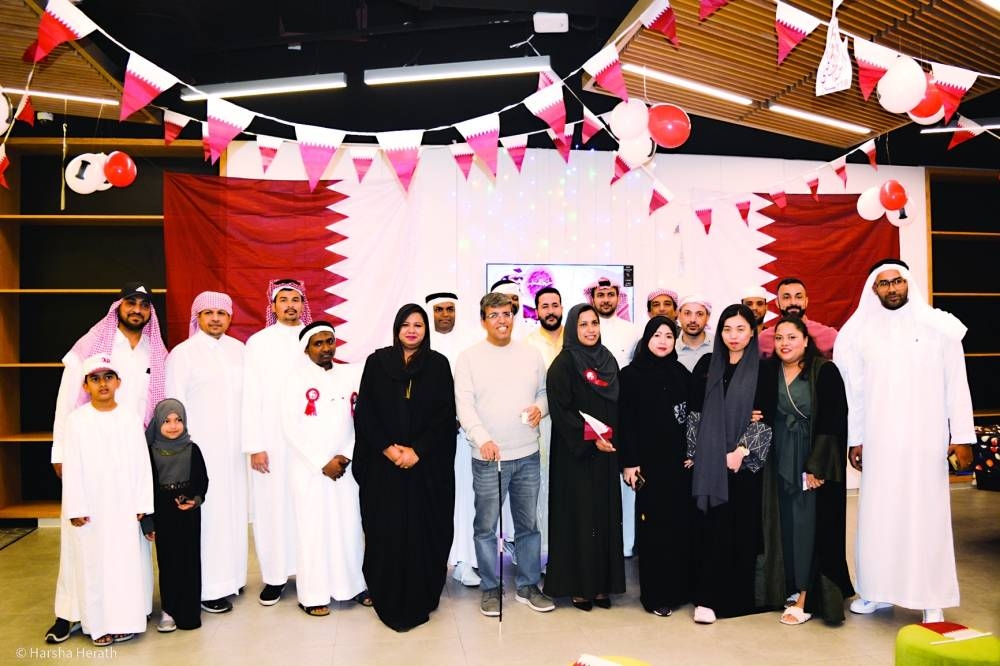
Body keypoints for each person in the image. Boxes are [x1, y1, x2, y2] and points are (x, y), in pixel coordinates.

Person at [834, 259, 974, 624]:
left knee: (926, 517)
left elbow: (956, 384)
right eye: (884, 283)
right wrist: (856, 439)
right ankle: (876, 591)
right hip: (879, 442)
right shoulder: (859, 333)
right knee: (878, 517)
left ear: (908, 283)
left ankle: (931, 598)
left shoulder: (939, 327)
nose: (892, 288)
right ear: (874, 289)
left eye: (897, 281)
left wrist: (962, 437)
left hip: (925, 440)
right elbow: (855, 394)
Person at [46, 282, 166, 644]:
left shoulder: (152, 350)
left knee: (129, 541)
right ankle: (71, 612)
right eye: (130, 303)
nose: (137, 310)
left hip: (131, 454)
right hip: (87, 455)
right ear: (118, 307)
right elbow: (66, 399)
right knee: (83, 539)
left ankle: (130, 609)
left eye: (143, 305)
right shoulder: (93, 345)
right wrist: (59, 452)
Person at [354, 304, 457, 631]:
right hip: (384, 467)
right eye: (406, 325)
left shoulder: (438, 365)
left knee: (424, 531)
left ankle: (423, 593)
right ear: (397, 328)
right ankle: (383, 591)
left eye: (418, 325)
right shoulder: (377, 363)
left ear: (426, 330)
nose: (412, 330)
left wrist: (418, 451)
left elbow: (445, 416)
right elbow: (365, 413)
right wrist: (388, 448)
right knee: (386, 530)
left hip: (425, 469)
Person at [454, 292, 554, 616]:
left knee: (528, 525)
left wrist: (539, 408)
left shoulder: (531, 354)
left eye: (506, 314)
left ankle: (528, 585)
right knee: (486, 527)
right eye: (494, 315)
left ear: (514, 317)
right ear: (483, 321)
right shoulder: (469, 358)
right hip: (488, 458)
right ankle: (490, 588)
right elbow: (464, 405)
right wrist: (482, 439)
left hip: (527, 454)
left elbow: (545, 393)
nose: (501, 320)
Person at [686, 304, 778, 624]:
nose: (734, 336)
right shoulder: (707, 365)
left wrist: (741, 452)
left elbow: (766, 415)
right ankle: (706, 598)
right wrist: (695, 453)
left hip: (744, 466)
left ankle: (736, 600)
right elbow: (694, 412)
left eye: (741, 329)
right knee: (710, 531)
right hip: (709, 463)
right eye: (727, 329)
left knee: (741, 531)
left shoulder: (765, 370)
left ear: (752, 332)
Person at [60, 354, 154, 647]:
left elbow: (141, 463)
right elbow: (72, 467)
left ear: (118, 383)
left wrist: (142, 504)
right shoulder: (76, 421)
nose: (103, 384)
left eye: (108, 377)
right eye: (95, 378)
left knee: (125, 564)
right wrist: (76, 507)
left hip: (124, 506)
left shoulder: (129, 418)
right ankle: (98, 625)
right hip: (91, 509)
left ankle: (127, 621)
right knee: (93, 566)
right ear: (85, 386)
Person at [768, 317, 854, 626]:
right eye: (779, 337)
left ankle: (808, 595)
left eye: (792, 337)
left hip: (810, 458)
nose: (785, 343)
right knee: (786, 527)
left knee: (808, 527)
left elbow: (834, 420)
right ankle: (792, 585)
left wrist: (817, 465)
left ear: (806, 340)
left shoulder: (824, 371)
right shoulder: (771, 371)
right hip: (779, 459)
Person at [164, 291, 245, 614]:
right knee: (209, 517)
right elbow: (173, 405)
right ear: (196, 317)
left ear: (229, 317)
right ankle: (209, 587)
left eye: (221, 313)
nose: (215, 318)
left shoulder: (239, 350)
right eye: (208, 312)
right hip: (200, 451)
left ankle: (233, 578)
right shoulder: (183, 354)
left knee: (233, 514)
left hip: (234, 452)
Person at [281, 321, 368, 617]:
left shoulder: (348, 375)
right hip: (310, 470)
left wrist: (345, 455)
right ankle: (313, 595)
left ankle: (353, 586)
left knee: (349, 527)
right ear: (306, 349)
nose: (326, 348)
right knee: (313, 531)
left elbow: (361, 418)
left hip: (345, 467)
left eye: (329, 342)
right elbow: (290, 427)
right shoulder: (295, 379)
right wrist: (322, 462)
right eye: (318, 344)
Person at [544, 304, 626, 610]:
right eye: (583, 324)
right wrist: (593, 440)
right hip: (575, 456)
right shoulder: (563, 365)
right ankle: (579, 588)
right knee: (579, 518)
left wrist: (613, 438)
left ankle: (602, 586)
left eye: (594, 323)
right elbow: (562, 412)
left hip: (606, 455)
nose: (591, 329)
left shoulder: (608, 360)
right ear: (572, 329)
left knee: (604, 517)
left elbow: (619, 404)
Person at [243, 278, 313, 606]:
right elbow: (251, 396)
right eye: (283, 300)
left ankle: (310, 570)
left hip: (308, 440)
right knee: (272, 508)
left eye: (295, 299)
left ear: (303, 304)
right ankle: (275, 577)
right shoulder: (258, 343)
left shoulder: (314, 338)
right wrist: (255, 445)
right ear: (273, 306)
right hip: (270, 440)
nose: (290, 305)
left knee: (306, 506)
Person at [619, 316, 693, 617]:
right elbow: (625, 422)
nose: (663, 341)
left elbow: (693, 416)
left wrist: (694, 451)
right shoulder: (630, 375)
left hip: (680, 465)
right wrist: (629, 462)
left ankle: (679, 590)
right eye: (657, 335)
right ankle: (656, 595)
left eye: (669, 336)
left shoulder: (681, 373)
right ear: (647, 339)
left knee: (679, 527)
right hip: (648, 466)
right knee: (653, 530)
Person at [426, 291, 480, 588]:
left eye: (450, 309)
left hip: (465, 437)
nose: (445, 315)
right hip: (432, 440)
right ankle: (434, 561)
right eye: (438, 310)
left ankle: (465, 562)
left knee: (466, 498)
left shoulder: (471, 343)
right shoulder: (421, 346)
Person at [584, 276, 638, 558]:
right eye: (600, 294)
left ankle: (626, 544)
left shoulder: (633, 331)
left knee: (626, 481)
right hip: (592, 416)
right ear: (592, 298)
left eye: (610, 294)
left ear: (619, 298)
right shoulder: (584, 331)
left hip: (623, 412)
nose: (605, 300)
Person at [144, 399, 209, 633]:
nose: (173, 426)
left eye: (178, 420)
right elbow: (146, 488)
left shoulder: (192, 449)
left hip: (188, 514)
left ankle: (190, 612)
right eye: (167, 421)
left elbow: (202, 480)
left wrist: (195, 500)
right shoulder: (150, 453)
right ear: (157, 424)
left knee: (190, 561)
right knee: (168, 563)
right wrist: (147, 522)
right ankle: (169, 610)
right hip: (163, 514)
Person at [525, 285, 564, 562]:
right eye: (545, 306)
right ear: (537, 311)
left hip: (572, 426)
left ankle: (566, 552)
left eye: (555, 305)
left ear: (562, 307)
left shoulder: (574, 337)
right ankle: (544, 553)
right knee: (542, 488)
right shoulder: (528, 344)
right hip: (542, 426)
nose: (551, 311)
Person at [758, 278, 838, 358]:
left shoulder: (829, 335)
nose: (793, 302)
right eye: (786, 297)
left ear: (806, 301)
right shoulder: (763, 339)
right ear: (777, 302)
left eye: (799, 297)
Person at [676, 296, 713, 372]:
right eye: (687, 313)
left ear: (707, 317)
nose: (693, 320)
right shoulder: (671, 349)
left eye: (699, 314)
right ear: (679, 315)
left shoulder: (719, 345)